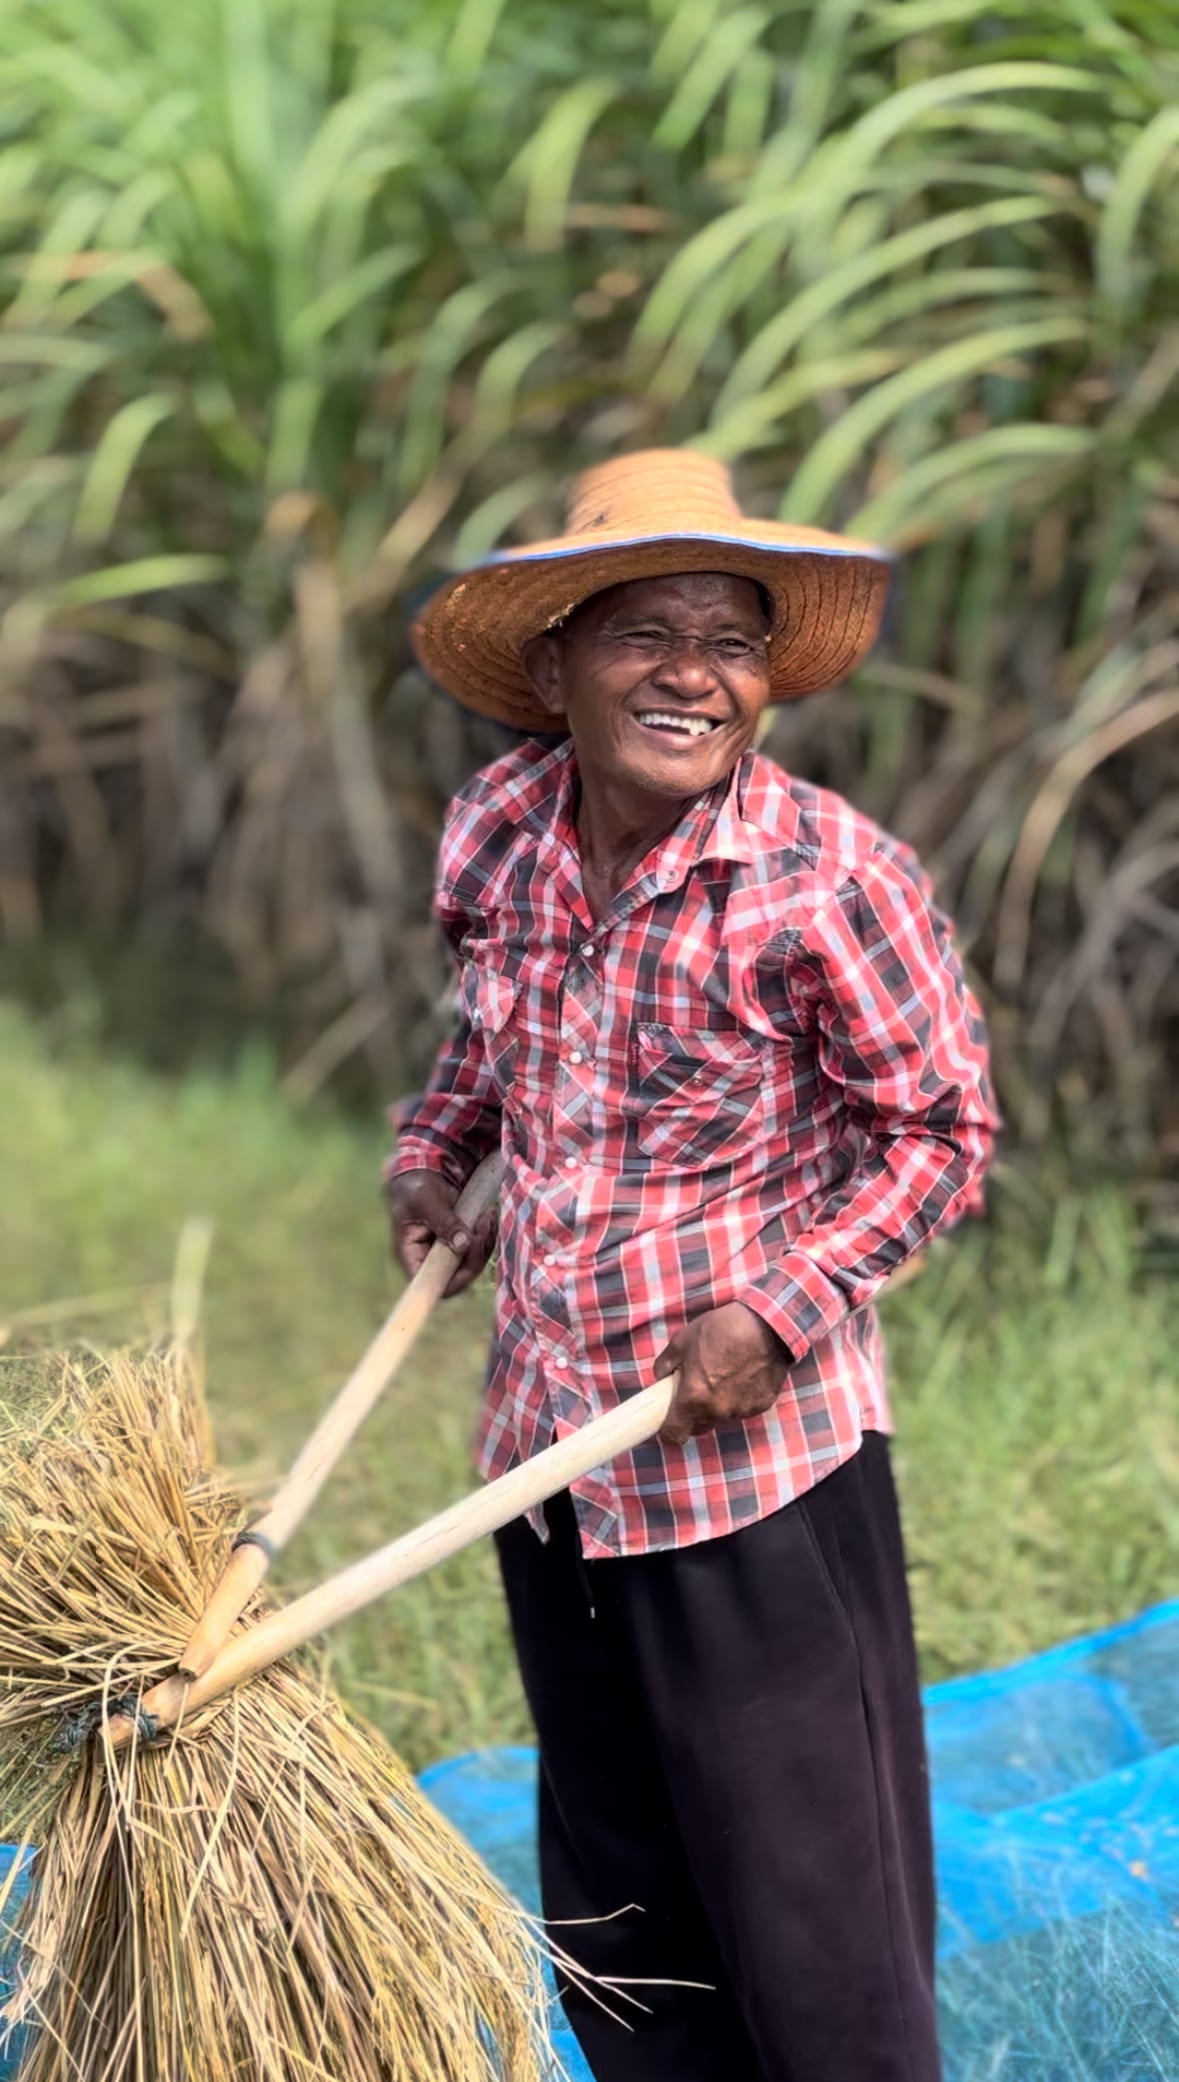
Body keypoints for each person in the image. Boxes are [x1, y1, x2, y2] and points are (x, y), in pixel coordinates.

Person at [386, 449, 998, 2082]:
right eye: (645, 630)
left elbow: (941, 1133)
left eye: (729, 640)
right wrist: (438, 1156)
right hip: (552, 1457)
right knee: (622, 1924)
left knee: (820, 1942)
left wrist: (781, 1313)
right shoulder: (503, 829)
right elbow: (494, 1044)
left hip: (750, 1482)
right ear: (557, 662)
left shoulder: (822, 876)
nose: (693, 674)